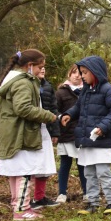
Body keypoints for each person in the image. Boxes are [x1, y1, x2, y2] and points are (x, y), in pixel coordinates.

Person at [0, 49, 58, 221]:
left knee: (16, 171)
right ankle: (23, 209)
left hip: (14, 132)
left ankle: (18, 207)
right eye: (40, 67)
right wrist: (48, 116)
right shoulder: (22, 82)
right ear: (30, 66)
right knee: (26, 171)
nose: (41, 70)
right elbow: (23, 108)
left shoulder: (13, 79)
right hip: (21, 133)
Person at [61, 56, 111, 215]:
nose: (82, 76)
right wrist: (69, 114)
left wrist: (103, 127)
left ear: (95, 72)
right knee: (89, 173)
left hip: (102, 141)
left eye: (84, 73)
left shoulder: (108, 90)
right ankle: (92, 203)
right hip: (86, 141)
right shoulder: (85, 91)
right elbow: (78, 107)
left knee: (104, 172)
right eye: (81, 73)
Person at [29, 65, 61, 209]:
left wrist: (55, 131)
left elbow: (53, 109)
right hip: (30, 130)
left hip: (45, 129)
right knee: (29, 165)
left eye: (44, 67)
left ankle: (39, 197)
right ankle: (25, 199)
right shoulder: (26, 85)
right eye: (39, 67)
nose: (42, 70)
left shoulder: (47, 86)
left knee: (44, 163)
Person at [55, 64, 86, 203]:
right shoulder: (61, 92)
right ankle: (62, 193)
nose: (77, 75)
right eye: (74, 72)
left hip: (82, 134)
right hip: (66, 134)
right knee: (65, 164)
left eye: (80, 73)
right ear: (69, 74)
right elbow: (55, 112)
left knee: (83, 164)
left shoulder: (87, 91)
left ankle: (87, 192)